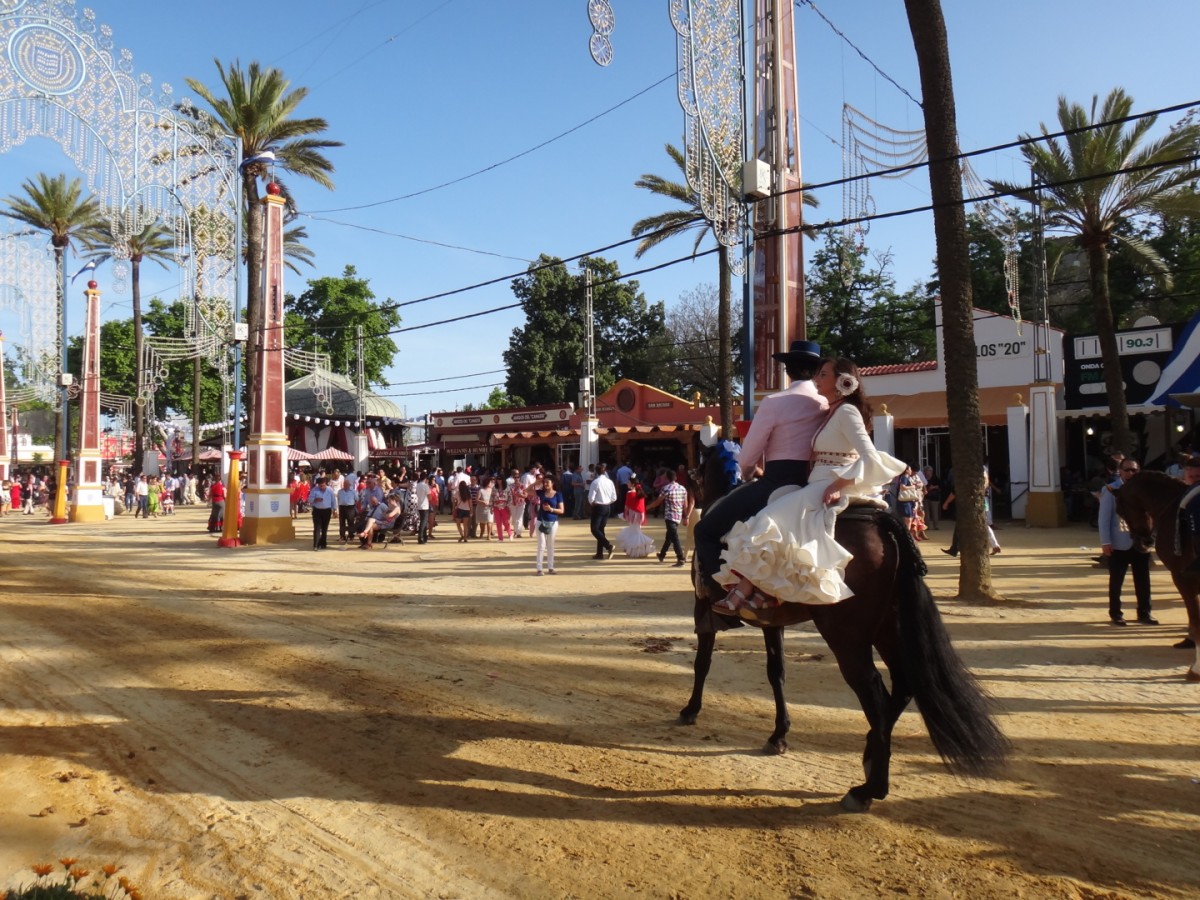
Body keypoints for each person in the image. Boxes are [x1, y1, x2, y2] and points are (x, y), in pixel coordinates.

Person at [712, 357, 905, 619]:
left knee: (767, 520)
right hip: (818, 482)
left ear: (841, 382)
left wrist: (840, 483)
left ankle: (745, 592)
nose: (817, 378)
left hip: (826, 483)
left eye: (823, 374)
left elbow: (869, 456)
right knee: (778, 526)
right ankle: (760, 591)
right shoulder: (831, 411)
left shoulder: (847, 412)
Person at [693, 340, 828, 603]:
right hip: (814, 484)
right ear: (815, 371)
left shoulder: (775, 401)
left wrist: (747, 471)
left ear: (787, 370)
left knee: (704, 531)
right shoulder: (825, 404)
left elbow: (750, 451)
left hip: (776, 481)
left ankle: (722, 595)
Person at [1098, 459, 1156, 624]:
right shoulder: (1110, 490)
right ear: (1120, 471)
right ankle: (1116, 613)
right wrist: (1105, 542)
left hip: (1140, 542)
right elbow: (1104, 518)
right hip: (1119, 542)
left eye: (1134, 470)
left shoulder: (1144, 490)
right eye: (1128, 470)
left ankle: (1145, 612)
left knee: (1143, 580)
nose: (1131, 473)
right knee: (1116, 581)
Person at [646, 468, 689, 567]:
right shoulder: (683, 488)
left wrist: (648, 507)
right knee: (670, 535)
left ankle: (680, 557)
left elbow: (658, 502)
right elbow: (685, 504)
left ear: (667, 478)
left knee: (674, 537)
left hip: (670, 515)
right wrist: (686, 516)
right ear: (676, 477)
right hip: (678, 515)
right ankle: (662, 554)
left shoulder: (666, 488)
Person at [534, 473, 564, 575]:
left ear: (552, 483)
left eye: (547, 482)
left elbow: (561, 510)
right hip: (540, 521)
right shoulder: (541, 493)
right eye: (544, 482)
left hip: (553, 522)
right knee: (541, 544)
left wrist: (551, 509)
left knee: (550, 545)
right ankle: (539, 568)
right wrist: (536, 482)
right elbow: (527, 491)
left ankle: (551, 567)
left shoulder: (558, 494)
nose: (545, 484)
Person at [587, 462, 618, 559]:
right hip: (607, 506)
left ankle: (608, 546)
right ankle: (599, 553)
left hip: (598, 506)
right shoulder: (610, 482)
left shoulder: (595, 482)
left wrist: (592, 503)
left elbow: (590, 497)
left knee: (595, 529)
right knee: (601, 529)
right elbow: (614, 497)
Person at [308, 475, 336, 551]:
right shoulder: (314, 490)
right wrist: (315, 499)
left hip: (327, 511)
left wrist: (334, 510)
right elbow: (309, 500)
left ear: (326, 484)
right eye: (320, 486)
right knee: (317, 528)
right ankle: (316, 544)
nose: (322, 487)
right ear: (318, 485)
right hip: (317, 511)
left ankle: (323, 543)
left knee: (324, 528)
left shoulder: (330, 490)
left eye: (323, 485)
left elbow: (333, 500)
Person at [336, 476, 359, 543]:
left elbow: (357, 499)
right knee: (342, 522)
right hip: (342, 507)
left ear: (349, 485)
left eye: (346, 484)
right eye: (344, 484)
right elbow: (338, 499)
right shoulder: (340, 491)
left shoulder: (353, 491)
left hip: (350, 507)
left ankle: (351, 536)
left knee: (350, 522)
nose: (345, 486)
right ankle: (342, 536)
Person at [413, 474, 432, 544]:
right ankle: (420, 537)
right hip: (424, 505)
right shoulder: (425, 485)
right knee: (423, 522)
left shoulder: (418, 485)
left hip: (419, 505)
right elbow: (430, 497)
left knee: (423, 521)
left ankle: (424, 536)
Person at [922, 466, 941, 530]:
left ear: (931, 472)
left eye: (929, 471)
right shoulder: (923, 478)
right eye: (926, 471)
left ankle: (936, 526)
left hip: (934, 497)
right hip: (926, 497)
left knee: (935, 512)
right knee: (926, 513)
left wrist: (934, 487)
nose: (927, 473)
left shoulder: (935, 478)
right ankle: (927, 526)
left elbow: (941, 486)